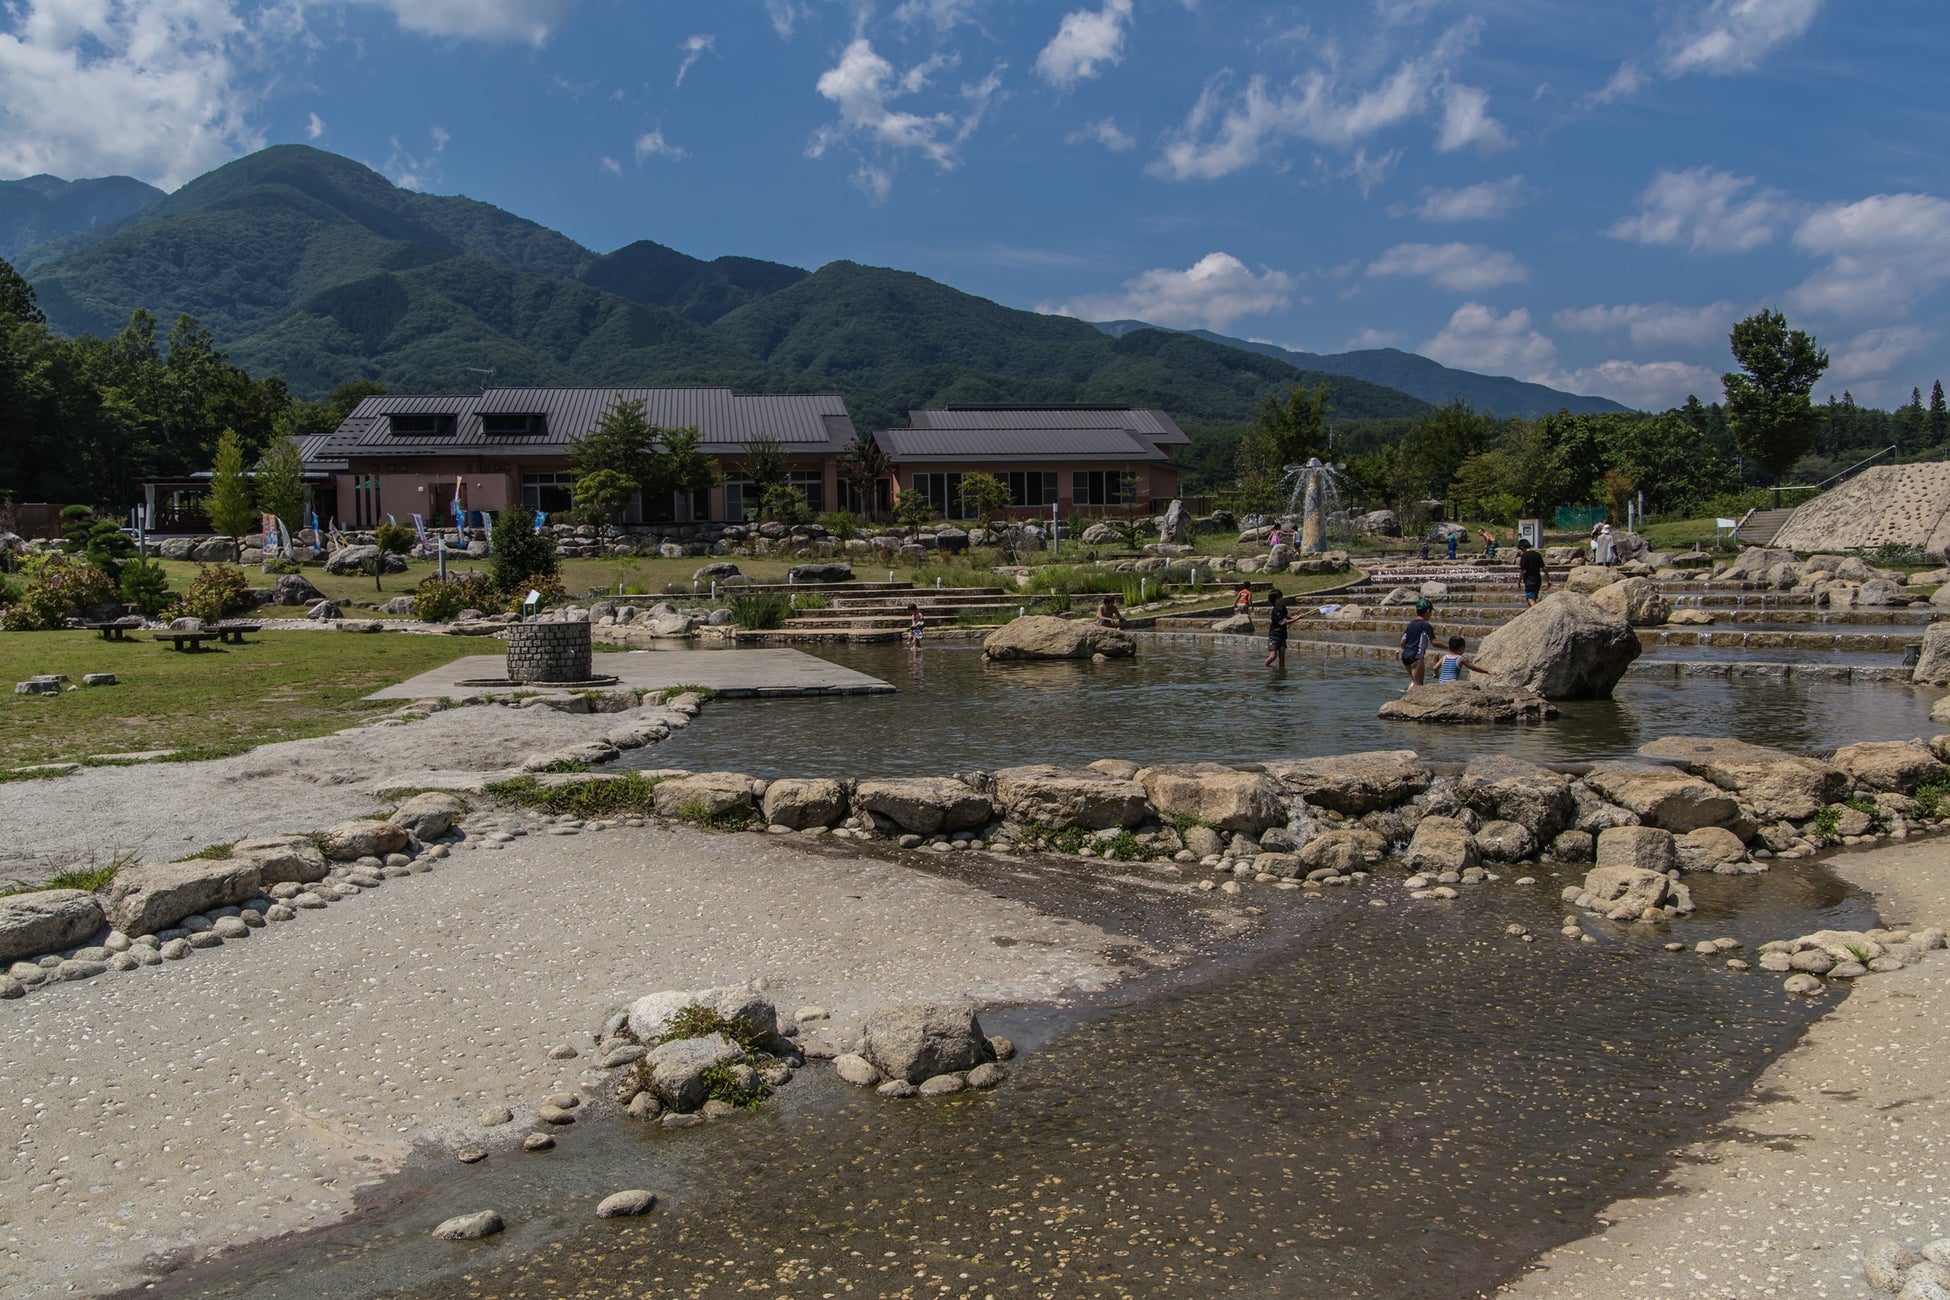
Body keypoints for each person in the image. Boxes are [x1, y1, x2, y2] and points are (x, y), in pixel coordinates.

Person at [1399, 597, 1436, 690]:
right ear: (1428, 611)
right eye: (1431, 611)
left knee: (1414, 680)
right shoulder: (1425, 625)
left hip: (1405, 655)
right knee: (1418, 685)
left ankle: (1406, 695)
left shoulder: (1411, 623)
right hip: (1416, 656)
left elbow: (1402, 642)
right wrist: (1449, 647)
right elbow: (1434, 642)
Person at [1262, 589, 1290, 668]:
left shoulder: (1283, 608)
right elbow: (1284, 622)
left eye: (1281, 597)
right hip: (1274, 636)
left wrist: (1296, 616)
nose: (1280, 599)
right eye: (1278, 598)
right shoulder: (1275, 611)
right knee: (1273, 656)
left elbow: (1286, 618)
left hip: (1282, 635)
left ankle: (1281, 671)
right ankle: (1265, 667)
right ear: (1273, 601)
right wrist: (1297, 618)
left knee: (1282, 656)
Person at [1516, 537, 1546, 606]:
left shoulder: (1524, 556)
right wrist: (1549, 580)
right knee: (1533, 599)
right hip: (1538, 581)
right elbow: (1544, 568)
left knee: (1530, 599)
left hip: (1529, 581)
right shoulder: (1537, 554)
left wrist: (1519, 581)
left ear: (1522, 547)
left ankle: (1537, 611)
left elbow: (1523, 571)